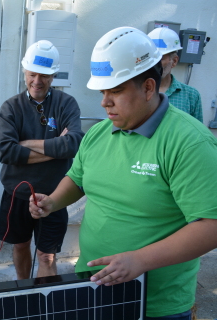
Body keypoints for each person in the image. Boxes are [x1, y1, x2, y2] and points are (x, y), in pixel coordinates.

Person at [29, 26, 217, 319]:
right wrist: (52, 202)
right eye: (103, 91)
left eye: (115, 91)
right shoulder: (99, 133)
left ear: (148, 88)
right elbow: (78, 178)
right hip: (91, 288)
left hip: (154, 306)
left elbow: (211, 225)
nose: (105, 102)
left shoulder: (190, 142)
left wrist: (141, 260)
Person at [0, 40, 84, 280]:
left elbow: (73, 144)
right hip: (16, 193)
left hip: (55, 195)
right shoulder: (11, 107)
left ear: (53, 76)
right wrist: (57, 148)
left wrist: (25, 144)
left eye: (44, 75)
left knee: (47, 256)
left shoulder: (66, 104)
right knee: (20, 246)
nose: (37, 81)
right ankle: (24, 292)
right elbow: (6, 151)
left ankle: (44, 302)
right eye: (32, 74)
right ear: (24, 72)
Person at [148, 27, 203, 122]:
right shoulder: (136, 92)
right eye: (151, 57)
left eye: (160, 58)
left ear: (174, 61)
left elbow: (197, 133)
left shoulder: (191, 95)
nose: (154, 63)